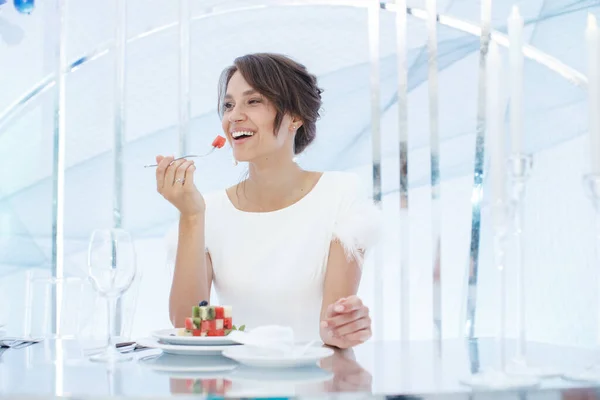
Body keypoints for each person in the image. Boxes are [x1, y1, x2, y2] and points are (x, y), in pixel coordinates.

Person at [156, 53, 380, 349]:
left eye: (253, 101)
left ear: (295, 116)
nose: (234, 116)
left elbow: (332, 328)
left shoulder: (340, 194)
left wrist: (349, 325)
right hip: (233, 386)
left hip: (315, 384)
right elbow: (187, 324)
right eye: (228, 104)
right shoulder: (207, 210)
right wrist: (191, 216)